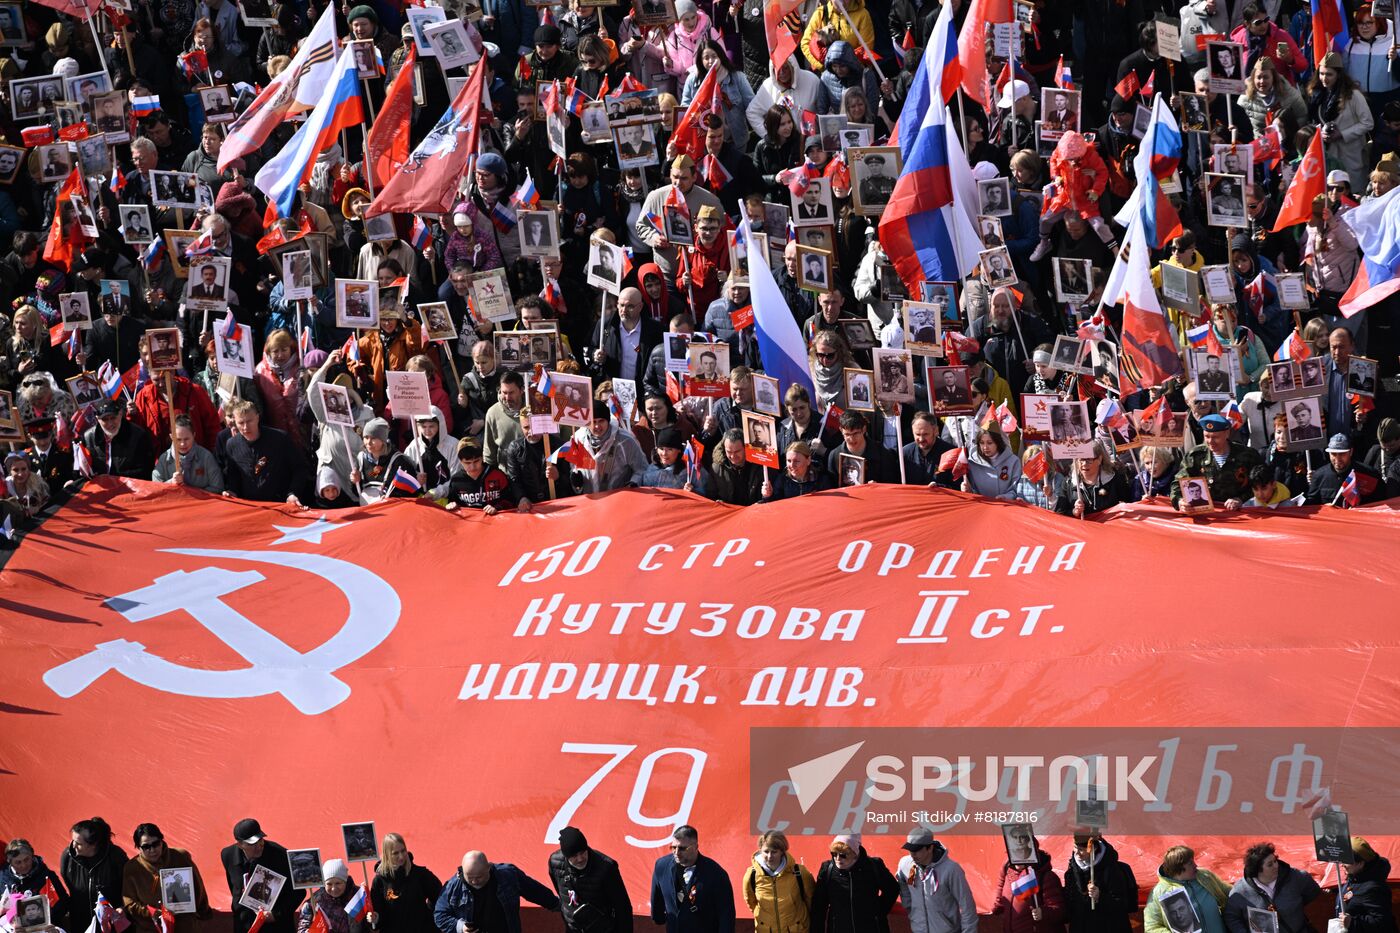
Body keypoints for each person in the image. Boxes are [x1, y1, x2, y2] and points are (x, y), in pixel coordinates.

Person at [433, 851, 558, 933]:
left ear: (489, 867)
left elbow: (534, 891)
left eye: (479, 877)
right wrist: (461, 927)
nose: (475, 881)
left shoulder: (508, 875)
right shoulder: (453, 886)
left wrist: (557, 905)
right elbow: (440, 915)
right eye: (470, 877)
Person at [123, 824, 212, 933]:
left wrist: (203, 913)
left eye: (156, 844)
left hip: (184, 925)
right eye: (146, 847)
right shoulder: (132, 868)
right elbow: (129, 903)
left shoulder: (180, 857)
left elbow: (198, 888)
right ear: (138, 848)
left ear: (162, 841)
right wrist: (154, 913)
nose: (152, 850)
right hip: (150, 927)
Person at [220, 819, 305, 933]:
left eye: (260, 839)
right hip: (244, 924)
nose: (259, 845)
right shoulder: (228, 855)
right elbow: (234, 887)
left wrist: (276, 914)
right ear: (240, 844)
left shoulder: (281, 855)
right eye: (252, 843)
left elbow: (299, 892)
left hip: (275, 926)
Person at [546, 827, 632, 933]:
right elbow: (560, 892)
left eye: (583, 852)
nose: (580, 859)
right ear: (566, 856)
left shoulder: (606, 868)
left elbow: (623, 908)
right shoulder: (555, 863)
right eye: (574, 856)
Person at [649, 826, 734, 933]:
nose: (676, 852)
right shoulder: (662, 866)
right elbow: (656, 898)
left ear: (695, 847)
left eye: (682, 848)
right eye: (673, 847)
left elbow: (726, 914)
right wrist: (658, 917)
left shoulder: (716, 874)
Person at [1172, 414, 1263, 511]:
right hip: (1207, 514)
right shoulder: (1195, 455)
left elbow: (1261, 484)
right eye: (1207, 436)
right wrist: (1180, 501)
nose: (1210, 441)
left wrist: (1241, 499)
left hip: (1242, 513)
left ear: (1227, 433)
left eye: (1216, 437)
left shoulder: (1247, 455)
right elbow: (1178, 483)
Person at [1222, 843, 1320, 933]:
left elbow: (1314, 895)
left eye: (1275, 861)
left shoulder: (1296, 877)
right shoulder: (1240, 892)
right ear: (1257, 870)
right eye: (1270, 864)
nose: (1276, 866)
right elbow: (1231, 917)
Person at [895, 829, 978, 933]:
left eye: (917, 850)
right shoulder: (905, 864)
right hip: (919, 930)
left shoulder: (951, 869)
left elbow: (966, 905)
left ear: (930, 848)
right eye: (910, 850)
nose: (913, 854)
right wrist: (910, 907)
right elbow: (901, 881)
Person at [810, 834, 898, 933]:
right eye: (834, 853)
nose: (838, 858)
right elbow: (819, 905)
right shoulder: (827, 870)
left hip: (872, 928)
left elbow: (892, 889)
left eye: (843, 855)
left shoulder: (873, 866)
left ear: (855, 853)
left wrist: (878, 913)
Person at [62, 818, 127, 933]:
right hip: (81, 923)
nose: (73, 845)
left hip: (111, 924)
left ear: (93, 845)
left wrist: (123, 907)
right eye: (73, 840)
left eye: (79, 843)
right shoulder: (68, 856)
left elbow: (128, 887)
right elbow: (67, 883)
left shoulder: (115, 856)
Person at [1144, 847, 1229, 933]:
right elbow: (1151, 927)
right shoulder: (1160, 891)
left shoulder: (1205, 876)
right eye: (1190, 863)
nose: (1196, 865)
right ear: (1179, 867)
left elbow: (1230, 892)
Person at [742, 831, 814, 933]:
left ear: (782, 851)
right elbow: (751, 902)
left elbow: (811, 901)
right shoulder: (751, 875)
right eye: (766, 851)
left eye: (774, 851)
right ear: (760, 851)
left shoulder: (799, 873)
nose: (770, 856)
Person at [369, 834, 443, 933]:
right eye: (395, 853)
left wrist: (429, 915)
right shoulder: (379, 881)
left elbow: (441, 897)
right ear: (387, 855)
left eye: (403, 851)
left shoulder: (420, 874)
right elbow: (378, 915)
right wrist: (376, 918)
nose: (401, 856)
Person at [1063, 835, 1136, 933]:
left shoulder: (1112, 869)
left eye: (1081, 849)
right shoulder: (1071, 871)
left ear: (1093, 848)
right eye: (1075, 848)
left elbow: (1122, 904)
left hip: (1108, 927)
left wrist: (1100, 897)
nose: (1077, 853)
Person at [2, 840, 70, 930]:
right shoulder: (3, 878)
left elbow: (63, 902)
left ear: (32, 856)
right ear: (9, 862)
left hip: (47, 929)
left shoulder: (46, 875)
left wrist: (48, 918)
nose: (23, 865)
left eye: (26, 859)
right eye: (18, 862)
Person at [1336, 839, 1397, 933]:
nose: (1342, 864)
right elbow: (1356, 896)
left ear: (1360, 863)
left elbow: (1383, 922)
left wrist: (1352, 922)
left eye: (1346, 860)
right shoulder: (1355, 877)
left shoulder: (1374, 889)